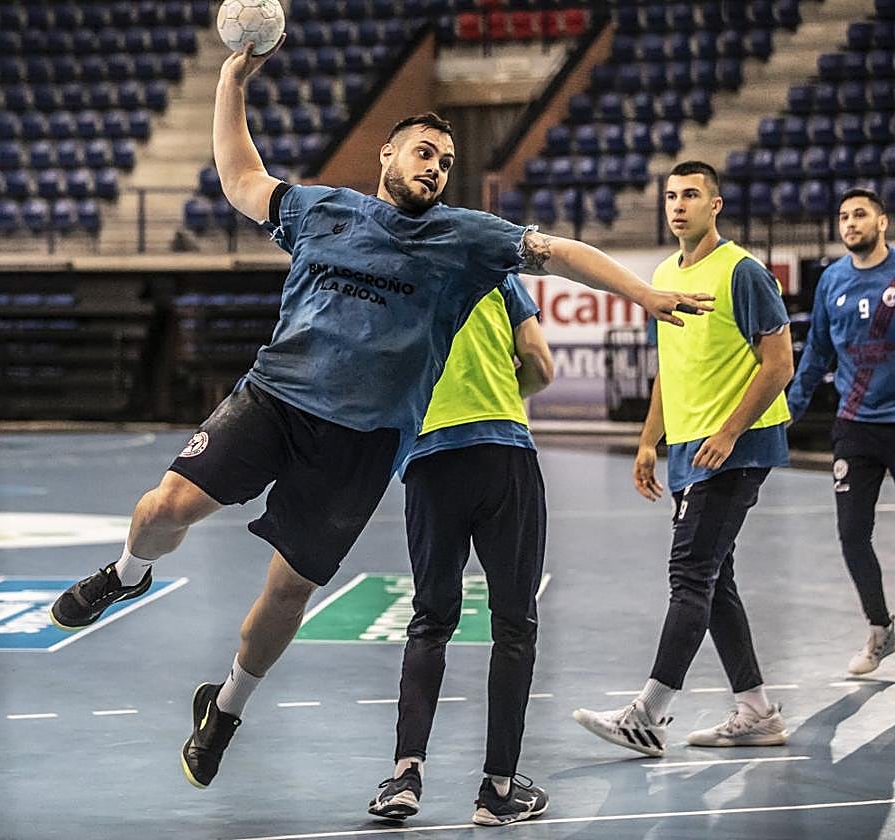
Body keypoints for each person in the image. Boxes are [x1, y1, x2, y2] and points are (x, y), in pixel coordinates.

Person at [50, 40, 711, 790]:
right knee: (166, 507)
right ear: (387, 158)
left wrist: (644, 295)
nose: (435, 167)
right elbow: (240, 177)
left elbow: (558, 252)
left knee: (289, 591)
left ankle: (226, 710)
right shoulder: (324, 210)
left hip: (361, 446)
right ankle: (128, 575)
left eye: (446, 161)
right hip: (273, 398)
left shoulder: (465, 238)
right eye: (424, 153)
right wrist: (231, 78)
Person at [573, 160, 794, 757]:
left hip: (734, 447)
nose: (678, 205)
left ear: (714, 205)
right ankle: (756, 710)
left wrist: (726, 432)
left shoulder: (743, 272)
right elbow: (669, 371)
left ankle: (649, 712)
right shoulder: (664, 274)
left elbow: (780, 366)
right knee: (715, 579)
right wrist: (649, 441)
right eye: (671, 196)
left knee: (690, 575)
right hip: (689, 451)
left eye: (691, 195)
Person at [365, 274, 553, 827]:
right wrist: (494, 392)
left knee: (431, 620)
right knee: (514, 625)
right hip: (503, 454)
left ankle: (405, 777)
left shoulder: (391, 280)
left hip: (429, 460)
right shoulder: (497, 274)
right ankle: (498, 791)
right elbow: (539, 364)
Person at [787, 187, 895, 676]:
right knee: (853, 533)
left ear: (882, 222)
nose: (850, 223)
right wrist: (790, 407)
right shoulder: (832, 281)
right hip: (855, 425)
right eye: (844, 216)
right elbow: (817, 354)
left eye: (860, 215)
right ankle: (880, 629)